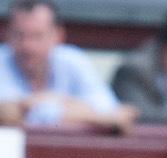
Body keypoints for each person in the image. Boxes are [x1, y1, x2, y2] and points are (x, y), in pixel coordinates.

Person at [0, 0, 135, 131]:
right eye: (19, 35)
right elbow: (9, 114)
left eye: (37, 36)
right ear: (7, 33)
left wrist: (37, 103)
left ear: (57, 35)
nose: (27, 46)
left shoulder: (72, 60)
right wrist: (84, 111)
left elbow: (114, 113)